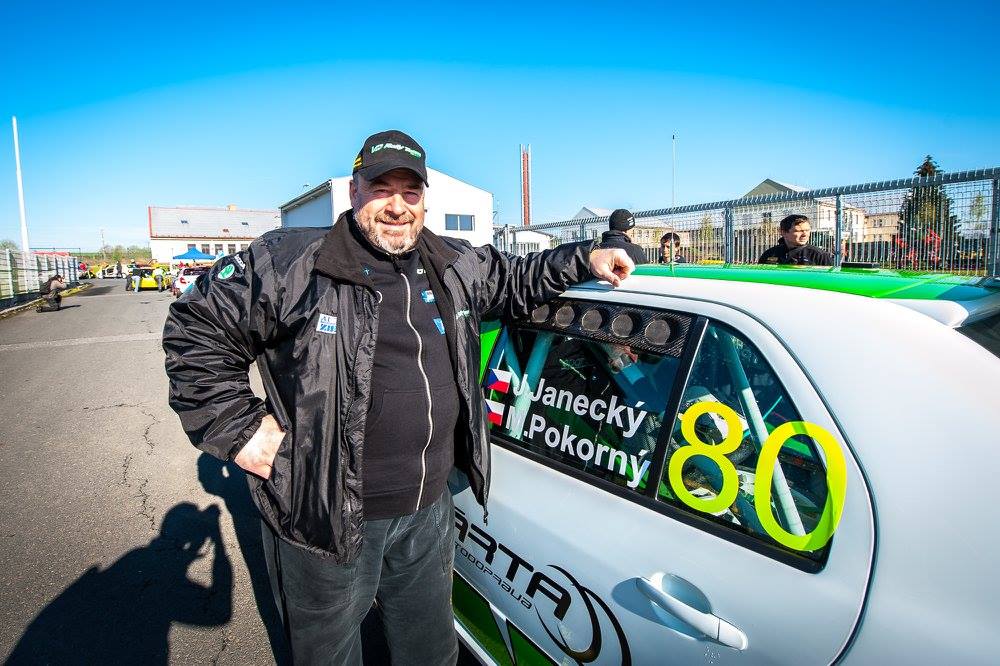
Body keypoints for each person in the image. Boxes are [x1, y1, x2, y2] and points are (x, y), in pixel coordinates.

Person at [162, 129, 634, 665]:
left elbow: (516, 278)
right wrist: (242, 429)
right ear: (355, 191)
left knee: (429, 653)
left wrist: (588, 256)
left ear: (424, 200)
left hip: (427, 510)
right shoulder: (290, 261)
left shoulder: (452, 262)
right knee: (329, 657)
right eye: (381, 188)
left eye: (410, 192)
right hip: (324, 513)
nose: (397, 206)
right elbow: (195, 331)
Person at [758, 214, 833, 266]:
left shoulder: (819, 256)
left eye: (807, 230)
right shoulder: (770, 254)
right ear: (783, 232)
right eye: (799, 231)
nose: (805, 234)